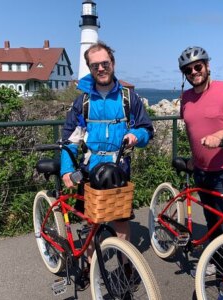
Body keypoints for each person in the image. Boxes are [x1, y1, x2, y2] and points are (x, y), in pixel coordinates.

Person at [61, 41, 154, 289]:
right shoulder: (82, 101)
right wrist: (66, 170)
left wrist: (137, 136)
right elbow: (69, 137)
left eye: (105, 63)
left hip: (118, 170)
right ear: (90, 68)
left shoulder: (128, 97)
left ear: (112, 63)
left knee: (121, 222)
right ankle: (92, 268)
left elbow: (147, 129)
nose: (101, 68)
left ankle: (126, 267)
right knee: (92, 222)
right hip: (90, 170)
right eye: (95, 65)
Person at [178, 46, 223, 279]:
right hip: (201, 169)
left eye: (198, 66)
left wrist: (219, 135)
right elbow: (193, 128)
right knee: (211, 220)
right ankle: (220, 264)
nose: (194, 72)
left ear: (207, 66)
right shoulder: (186, 97)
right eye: (188, 70)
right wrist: (194, 158)